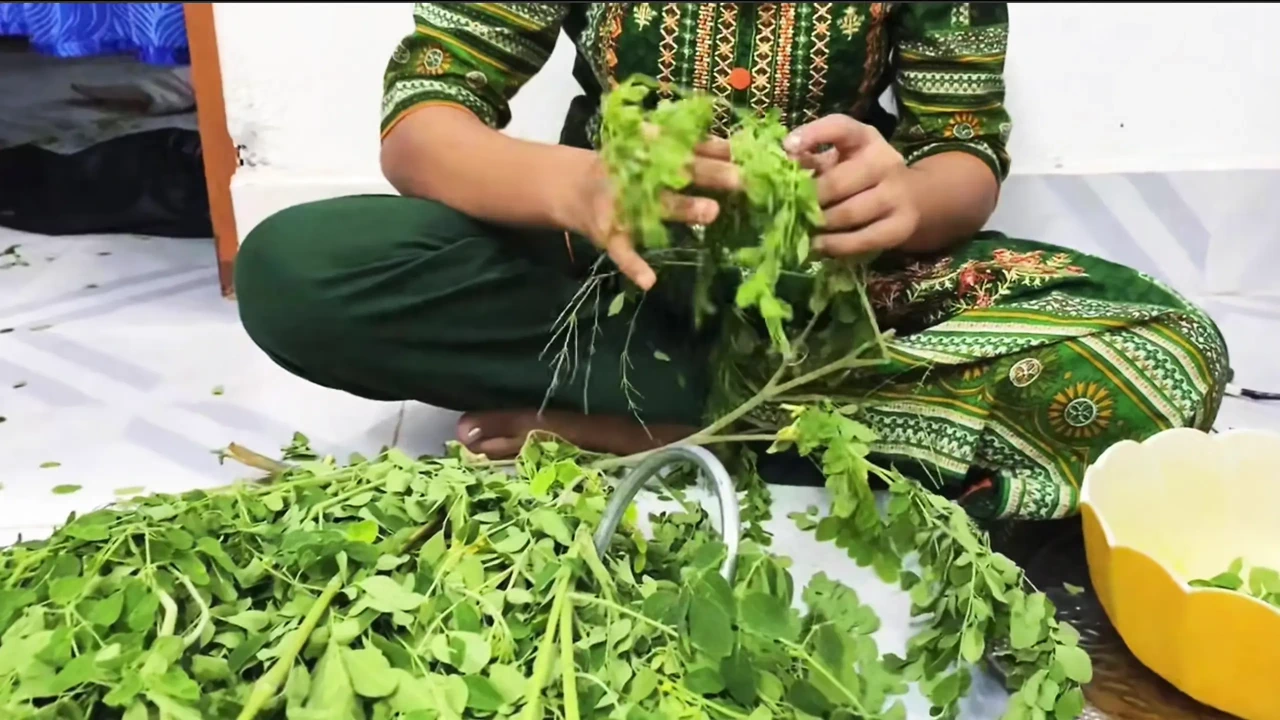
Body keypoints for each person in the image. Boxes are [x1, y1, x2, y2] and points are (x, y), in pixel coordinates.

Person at [233, 3, 1229, 522]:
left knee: (1167, 359)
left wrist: (907, 196)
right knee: (296, 270)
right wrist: (574, 188)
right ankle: (735, 415)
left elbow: (962, 149)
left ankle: (675, 430)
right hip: (607, 271)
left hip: (839, 300)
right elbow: (422, 123)